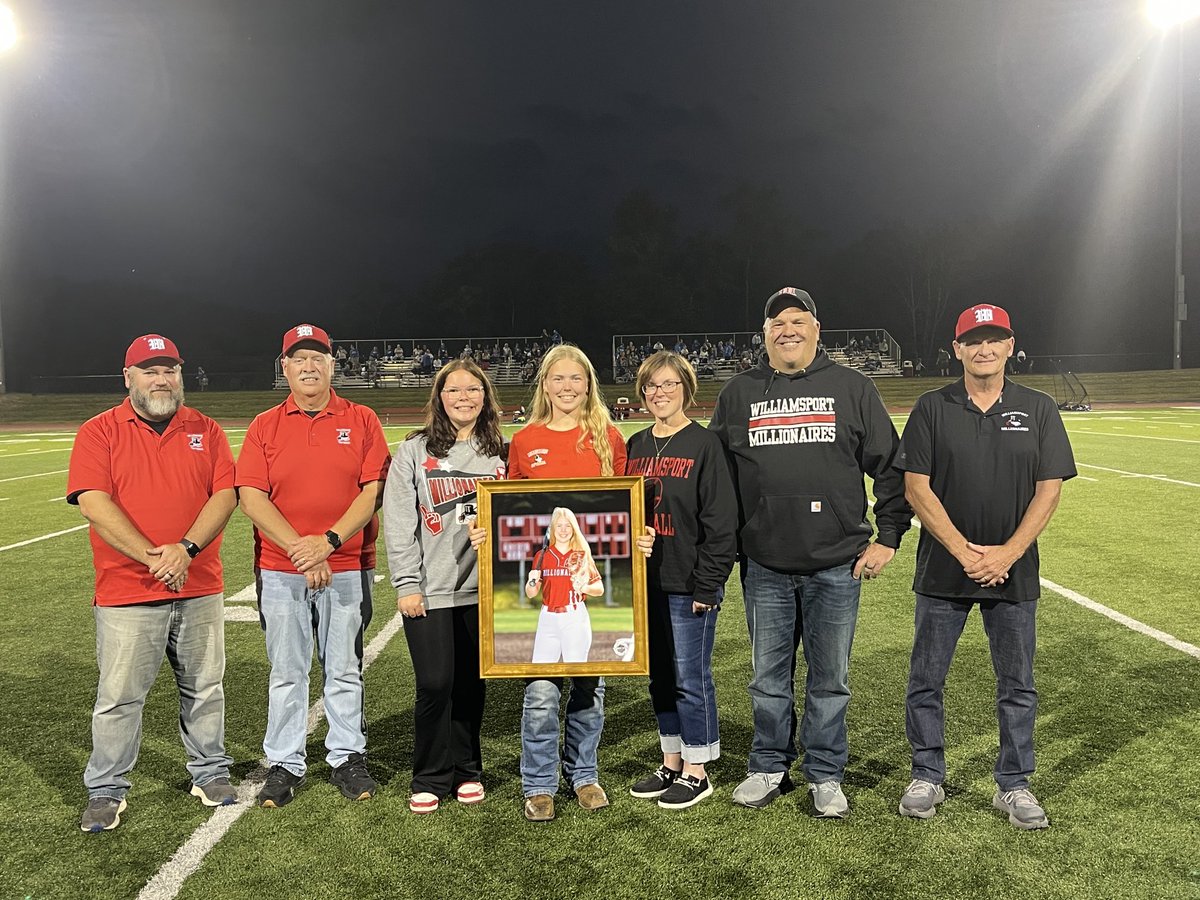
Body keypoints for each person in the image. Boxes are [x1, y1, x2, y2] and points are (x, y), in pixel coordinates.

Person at [710, 287, 911, 817]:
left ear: (817, 330)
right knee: (766, 678)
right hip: (765, 565)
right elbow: (719, 481)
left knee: (831, 679)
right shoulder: (738, 393)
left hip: (836, 564)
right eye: (778, 323)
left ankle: (824, 771)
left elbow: (891, 466)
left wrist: (889, 537)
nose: (788, 330)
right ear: (765, 335)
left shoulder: (853, 387)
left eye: (799, 320)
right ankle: (768, 763)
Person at [896, 304, 1075, 830]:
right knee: (926, 679)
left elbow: (1049, 488)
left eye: (994, 339)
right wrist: (965, 552)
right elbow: (915, 487)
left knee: (1017, 683)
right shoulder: (932, 406)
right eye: (973, 341)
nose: (984, 349)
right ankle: (927, 772)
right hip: (944, 570)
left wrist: (1007, 553)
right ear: (957, 349)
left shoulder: (1039, 407)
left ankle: (1014, 783)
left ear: (1009, 345)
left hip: (1013, 571)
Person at [68, 334, 238, 832]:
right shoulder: (100, 430)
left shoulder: (205, 429)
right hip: (127, 590)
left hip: (199, 583)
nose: (162, 379)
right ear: (129, 378)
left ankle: (209, 772)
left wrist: (183, 551)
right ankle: (106, 788)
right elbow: (93, 502)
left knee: (205, 688)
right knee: (119, 696)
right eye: (150, 370)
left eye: (170, 370)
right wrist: (153, 557)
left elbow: (224, 495)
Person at [472, 343, 629, 822]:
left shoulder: (608, 436)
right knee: (540, 693)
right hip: (548, 612)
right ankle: (538, 783)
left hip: (579, 611)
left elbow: (624, 507)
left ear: (588, 384)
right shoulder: (525, 440)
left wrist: (636, 540)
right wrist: (485, 531)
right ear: (544, 385)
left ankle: (584, 774)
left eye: (575, 379)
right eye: (557, 379)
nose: (567, 387)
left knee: (588, 691)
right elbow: (507, 508)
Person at [237, 324, 391, 809]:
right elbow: (251, 496)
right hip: (282, 568)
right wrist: (301, 551)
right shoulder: (265, 424)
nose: (308, 367)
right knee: (287, 669)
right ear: (285, 367)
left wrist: (326, 543)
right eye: (298, 359)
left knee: (344, 667)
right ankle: (284, 761)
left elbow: (373, 491)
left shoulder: (362, 418)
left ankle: (346, 755)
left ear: (331, 364)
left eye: (317, 358)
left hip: (345, 562)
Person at [383, 359, 507, 815]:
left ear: (485, 396)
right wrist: (407, 584)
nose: (463, 398)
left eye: (473, 389)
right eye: (453, 390)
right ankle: (430, 775)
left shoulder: (500, 452)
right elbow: (399, 524)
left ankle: (467, 770)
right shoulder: (414, 450)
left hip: (486, 589)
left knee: (473, 685)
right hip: (431, 588)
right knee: (435, 684)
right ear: (439, 397)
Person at [625, 351, 736, 810]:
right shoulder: (635, 445)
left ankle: (698, 769)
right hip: (644, 581)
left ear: (686, 389)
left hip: (688, 581)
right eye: (652, 386)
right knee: (661, 676)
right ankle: (671, 759)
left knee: (692, 677)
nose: (660, 394)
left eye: (669, 384)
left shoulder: (706, 444)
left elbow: (722, 521)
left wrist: (708, 584)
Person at [526, 507, 604, 663]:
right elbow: (531, 593)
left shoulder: (580, 555)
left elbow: (599, 589)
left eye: (568, 525)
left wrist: (584, 588)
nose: (563, 530)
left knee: (576, 667)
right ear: (553, 529)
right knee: (542, 669)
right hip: (547, 617)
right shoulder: (542, 556)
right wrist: (532, 580)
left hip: (574, 616)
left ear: (573, 529)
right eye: (559, 526)